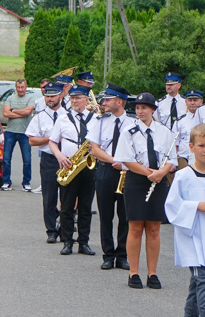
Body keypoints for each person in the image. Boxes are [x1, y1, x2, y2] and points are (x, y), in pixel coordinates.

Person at [165, 123, 205, 317]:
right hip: (193, 240)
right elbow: (172, 207)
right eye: (201, 146)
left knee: (198, 285)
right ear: (191, 147)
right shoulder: (183, 176)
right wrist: (197, 205)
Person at [114, 92, 176, 289]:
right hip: (136, 182)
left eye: (144, 108)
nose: (140, 111)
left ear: (152, 110)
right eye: (138, 108)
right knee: (135, 227)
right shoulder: (129, 132)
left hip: (158, 182)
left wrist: (162, 173)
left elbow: (172, 159)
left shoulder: (164, 132)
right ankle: (134, 272)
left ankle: (153, 273)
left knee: (154, 228)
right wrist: (151, 173)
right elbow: (127, 160)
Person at [87, 83, 135, 270]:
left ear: (119, 102)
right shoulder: (100, 121)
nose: (104, 103)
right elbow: (95, 148)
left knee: (125, 216)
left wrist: (124, 163)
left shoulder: (133, 123)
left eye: (108, 99)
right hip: (106, 170)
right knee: (105, 215)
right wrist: (114, 159)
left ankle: (122, 255)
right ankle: (108, 255)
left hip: (126, 172)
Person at [48, 85, 96, 256]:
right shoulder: (63, 118)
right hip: (68, 165)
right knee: (67, 207)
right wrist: (60, 156)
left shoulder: (95, 119)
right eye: (72, 98)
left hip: (88, 166)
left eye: (78, 98)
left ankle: (84, 242)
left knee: (85, 207)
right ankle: (67, 241)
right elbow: (52, 142)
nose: (74, 101)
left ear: (86, 100)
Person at [26, 82, 65, 242]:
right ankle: (51, 231)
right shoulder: (40, 116)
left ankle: (65, 229)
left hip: (66, 159)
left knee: (67, 197)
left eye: (53, 95)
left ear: (60, 96)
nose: (49, 98)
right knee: (49, 197)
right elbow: (32, 141)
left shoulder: (68, 115)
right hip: (48, 159)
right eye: (47, 95)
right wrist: (51, 138)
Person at [1, 78, 36, 192]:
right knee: (6, 158)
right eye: (18, 87)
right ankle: (6, 182)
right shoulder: (10, 98)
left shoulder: (30, 98)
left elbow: (28, 112)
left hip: (25, 132)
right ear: (16, 88)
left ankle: (26, 182)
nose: (20, 89)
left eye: (22, 87)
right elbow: (6, 113)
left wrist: (14, 110)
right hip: (10, 131)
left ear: (26, 87)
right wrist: (22, 113)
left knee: (27, 160)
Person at [174, 90, 204, 167]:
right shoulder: (179, 121)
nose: (192, 103)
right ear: (186, 102)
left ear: (201, 101)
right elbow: (175, 143)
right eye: (190, 100)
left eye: (195, 100)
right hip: (183, 157)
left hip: (201, 157)